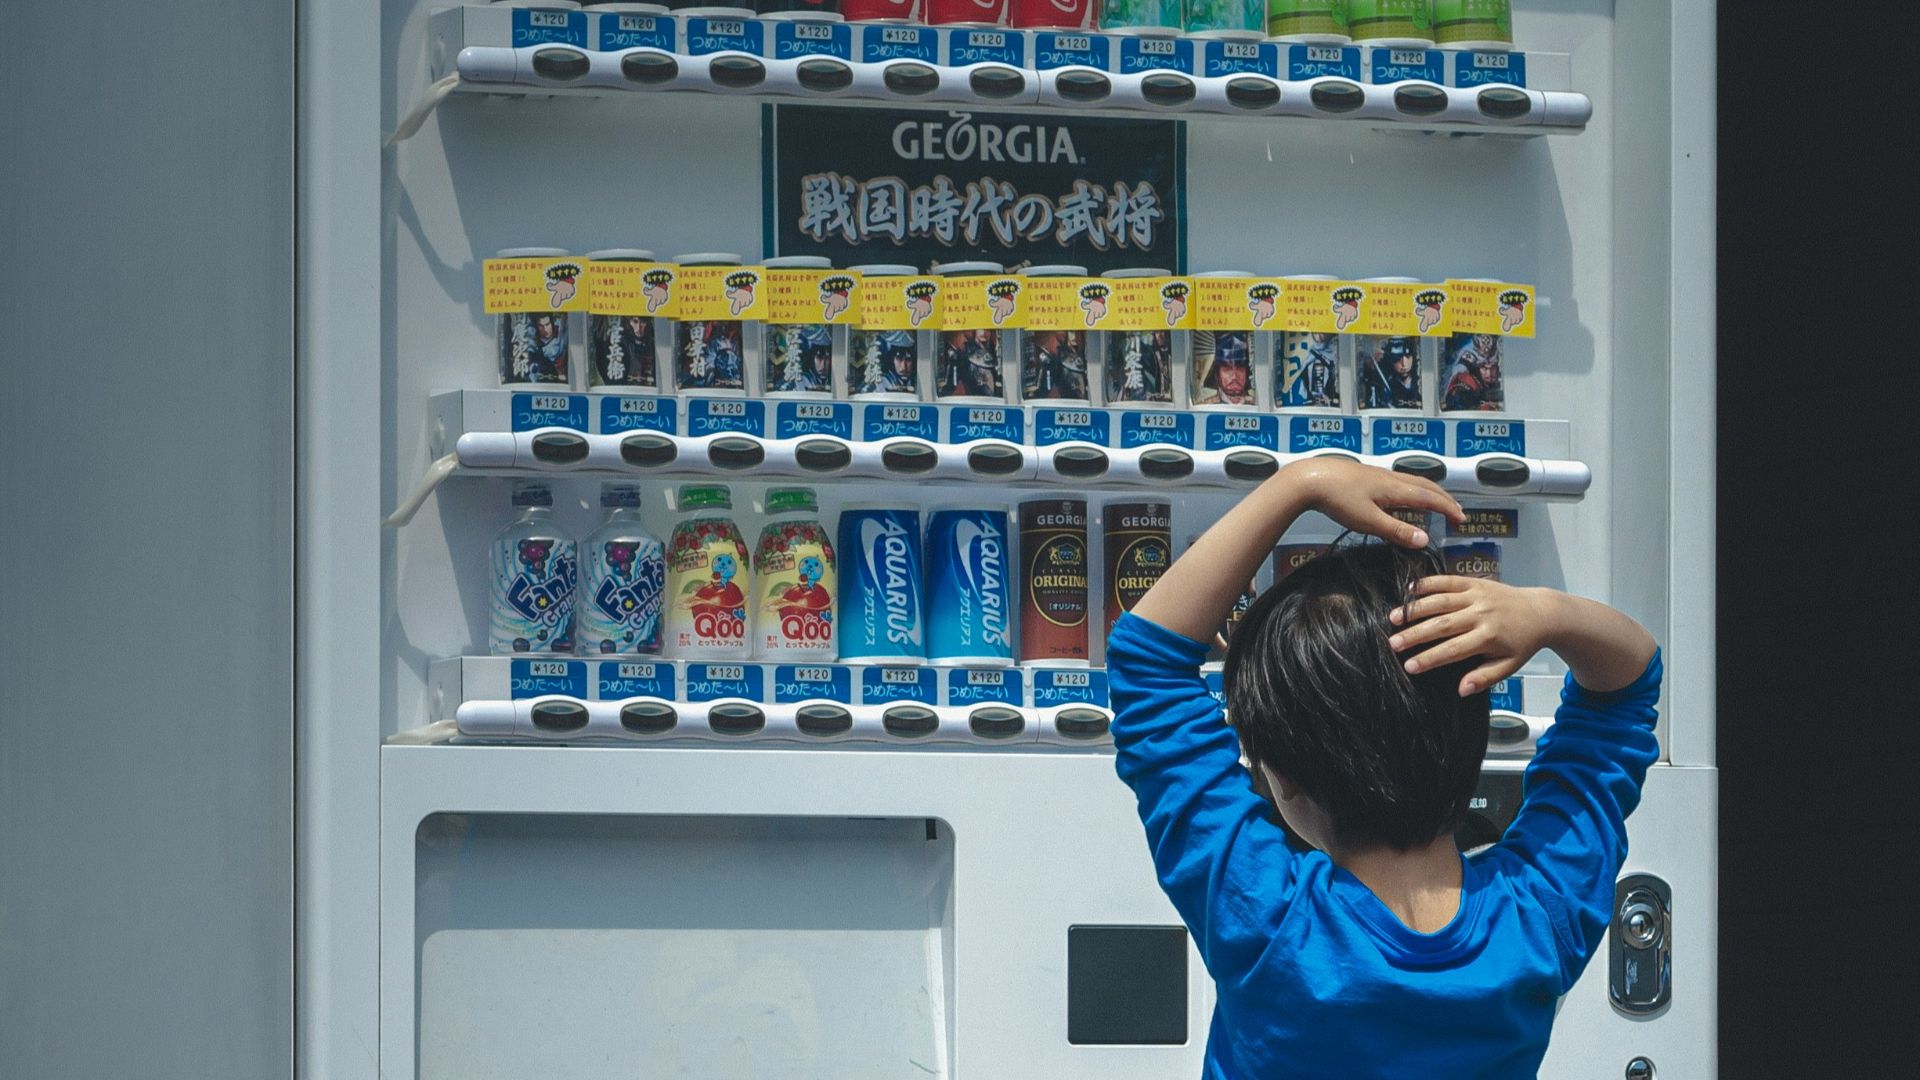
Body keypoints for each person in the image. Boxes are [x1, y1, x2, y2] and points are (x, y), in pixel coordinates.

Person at [1108, 457, 1661, 1076]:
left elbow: (1146, 664)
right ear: (1470, 733)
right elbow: (1627, 690)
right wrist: (1547, 612)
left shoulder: (1271, 922)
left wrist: (1302, 484)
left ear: (1283, 778)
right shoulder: (1536, 919)